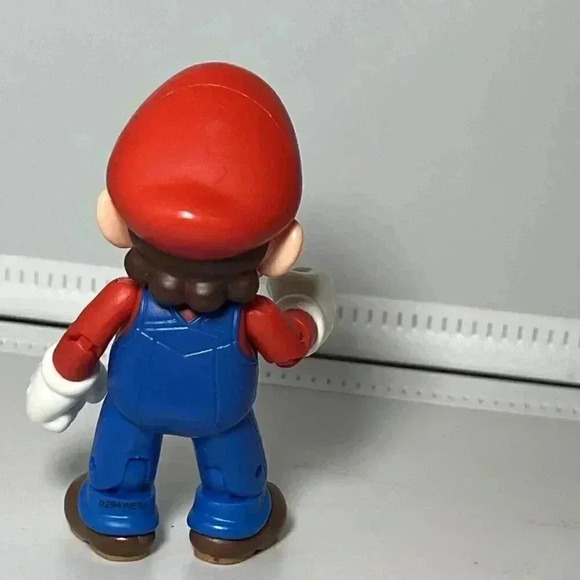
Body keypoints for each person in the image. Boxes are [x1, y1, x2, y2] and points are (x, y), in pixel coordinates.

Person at [26, 62, 334, 564]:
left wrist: (58, 386)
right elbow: (290, 348)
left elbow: (81, 343)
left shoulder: (124, 298)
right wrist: (308, 306)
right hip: (222, 414)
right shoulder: (253, 315)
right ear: (283, 249)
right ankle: (230, 524)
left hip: (132, 405)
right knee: (234, 470)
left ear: (111, 218)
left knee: (119, 461)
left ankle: (115, 516)